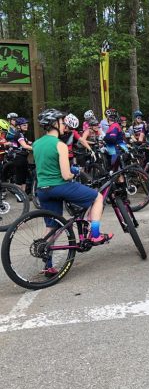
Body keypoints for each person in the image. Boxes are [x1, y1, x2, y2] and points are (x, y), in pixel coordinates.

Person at [33, 109, 112, 272]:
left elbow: (47, 167)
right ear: (54, 124)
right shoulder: (59, 144)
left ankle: (49, 266)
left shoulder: (36, 144)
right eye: (62, 122)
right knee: (97, 197)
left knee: (52, 227)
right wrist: (74, 172)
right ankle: (95, 234)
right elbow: (65, 175)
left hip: (43, 189)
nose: (64, 125)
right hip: (59, 186)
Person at [9, 117, 33, 192]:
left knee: (23, 178)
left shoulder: (22, 135)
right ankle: (19, 196)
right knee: (19, 179)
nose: (26, 126)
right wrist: (37, 149)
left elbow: (29, 143)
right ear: (18, 126)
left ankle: (23, 196)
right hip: (19, 158)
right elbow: (24, 146)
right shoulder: (19, 134)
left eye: (26, 125)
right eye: (24, 125)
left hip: (23, 158)